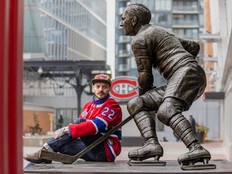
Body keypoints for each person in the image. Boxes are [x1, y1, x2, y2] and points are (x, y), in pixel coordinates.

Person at [120, 3, 211, 165]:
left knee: (166, 110)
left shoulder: (139, 39)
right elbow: (194, 47)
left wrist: (145, 93)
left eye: (123, 19)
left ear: (134, 20)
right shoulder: (161, 31)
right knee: (136, 103)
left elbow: (145, 77)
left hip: (186, 73)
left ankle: (196, 148)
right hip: (188, 74)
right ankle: (151, 145)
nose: (121, 23)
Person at [24, 74, 122, 163]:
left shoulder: (112, 105)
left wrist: (67, 129)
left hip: (105, 151)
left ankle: (44, 151)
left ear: (109, 88)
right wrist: (64, 132)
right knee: (61, 145)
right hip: (92, 148)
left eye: (104, 87)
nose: (101, 89)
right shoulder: (88, 105)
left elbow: (95, 126)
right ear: (93, 88)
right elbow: (78, 128)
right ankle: (47, 155)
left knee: (80, 122)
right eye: (98, 86)